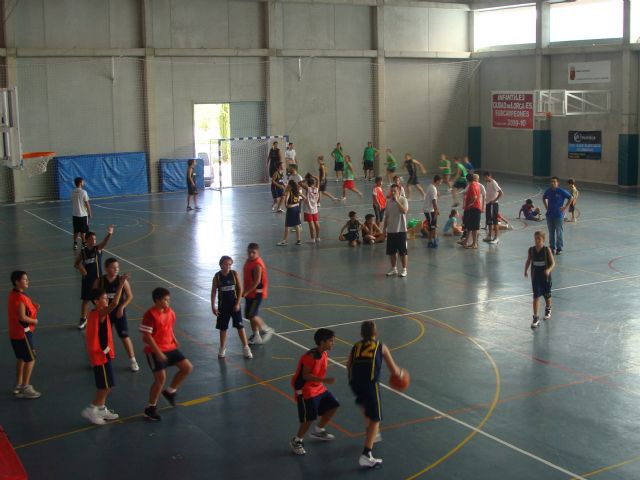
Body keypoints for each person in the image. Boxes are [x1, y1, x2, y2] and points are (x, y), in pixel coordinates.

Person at [347, 320, 401, 468]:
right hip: (369, 384)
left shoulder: (355, 346)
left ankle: (372, 434)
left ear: (361, 334)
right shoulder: (381, 346)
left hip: (354, 382)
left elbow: (348, 364)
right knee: (376, 418)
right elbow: (394, 371)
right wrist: (402, 374)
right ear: (375, 333)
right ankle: (366, 454)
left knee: (366, 406)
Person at [140, 287, 193, 421]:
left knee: (187, 368)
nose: (168, 302)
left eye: (168, 300)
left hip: (169, 347)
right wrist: (158, 352)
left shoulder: (170, 312)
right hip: (154, 350)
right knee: (160, 379)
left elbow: (169, 327)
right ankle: (150, 409)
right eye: (165, 300)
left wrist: (173, 338)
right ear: (157, 300)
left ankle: (170, 392)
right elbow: (147, 336)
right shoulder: (150, 315)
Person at [81, 275, 128, 425]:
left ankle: (101, 409)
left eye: (107, 297)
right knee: (105, 386)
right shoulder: (98, 313)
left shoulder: (98, 312)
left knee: (108, 384)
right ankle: (91, 409)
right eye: (104, 298)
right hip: (99, 356)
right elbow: (115, 303)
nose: (107, 299)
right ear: (96, 301)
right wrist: (121, 285)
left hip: (104, 354)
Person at [289, 328, 340, 456]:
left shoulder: (324, 354)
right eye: (330, 341)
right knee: (309, 418)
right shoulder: (310, 356)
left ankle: (319, 430)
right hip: (305, 390)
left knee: (333, 405)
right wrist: (325, 380)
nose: (333, 343)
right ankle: (297, 440)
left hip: (318, 387)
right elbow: (305, 375)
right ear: (322, 342)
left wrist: (322, 382)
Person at [93, 258, 139, 372]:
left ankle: (133, 360)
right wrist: (100, 309)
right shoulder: (100, 281)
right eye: (113, 268)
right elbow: (93, 296)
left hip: (118, 312)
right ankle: (100, 358)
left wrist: (122, 307)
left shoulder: (122, 281)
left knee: (124, 336)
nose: (116, 269)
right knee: (102, 337)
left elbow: (130, 296)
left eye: (117, 267)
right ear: (106, 268)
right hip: (105, 312)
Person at [211, 256, 252, 359]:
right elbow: (213, 292)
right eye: (226, 264)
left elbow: (240, 289)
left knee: (240, 326)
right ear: (221, 265)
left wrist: (237, 303)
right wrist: (213, 306)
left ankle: (246, 347)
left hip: (234, 305)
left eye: (230, 264)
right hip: (223, 306)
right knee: (223, 328)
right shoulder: (217, 277)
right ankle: (222, 347)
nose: (228, 266)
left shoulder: (234, 274)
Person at [7, 271, 41, 399]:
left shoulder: (13, 294)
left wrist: (33, 306)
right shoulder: (20, 298)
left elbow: (21, 309)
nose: (27, 281)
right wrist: (34, 321)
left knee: (21, 358)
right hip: (23, 334)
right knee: (31, 359)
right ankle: (26, 387)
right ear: (17, 282)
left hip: (14, 333)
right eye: (24, 279)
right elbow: (22, 317)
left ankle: (18, 384)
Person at [74, 226, 114, 329]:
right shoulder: (83, 252)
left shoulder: (97, 249)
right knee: (86, 300)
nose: (94, 241)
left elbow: (104, 243)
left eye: (95, 239)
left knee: (101, 300)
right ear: (86, 240)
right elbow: (76, 263)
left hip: (97, 280)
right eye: (91, 239)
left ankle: (103, 317)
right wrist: (81, 268)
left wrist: (109, 234)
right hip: (87, 280)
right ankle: (83, 319)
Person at [242, 243, 275, 345]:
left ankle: (266, 329)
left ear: (258, 252)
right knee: (249, 316)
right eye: (249, 252)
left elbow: (256, 282)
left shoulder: (257, 264)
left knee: (252, 314)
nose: (251, 254)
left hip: (257, 294)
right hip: (250, 293)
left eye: (253, 252)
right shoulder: (248, 261)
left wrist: (246, 291)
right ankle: (256, 335)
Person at [524, 231, 555, 329]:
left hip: (545, 277)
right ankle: (536, 318)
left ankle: (548, 308)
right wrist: (525, 270)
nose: (537, 240)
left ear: (543, 240)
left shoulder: (546, 250)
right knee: (536, 296)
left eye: (539, 239)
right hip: (536, 277)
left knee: (547, 295)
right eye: (535, 238)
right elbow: (528, 261)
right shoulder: (531, 250)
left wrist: (548, 270)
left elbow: (553, 263)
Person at [542, 176, 573, 255]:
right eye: (551, 182)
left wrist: (565, 207)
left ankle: (559, 248)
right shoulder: (548, 191)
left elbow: (571, 197)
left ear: (557, 183)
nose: (552, 183)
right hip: (549, 215)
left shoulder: (561, 191)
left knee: (559, 232)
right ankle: (552, 248)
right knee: (551, 233)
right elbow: (544, 197)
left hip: (558, 216)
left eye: (554, 182)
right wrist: (546, 206)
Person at [384, 184, 409, 277]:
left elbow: (404, 211)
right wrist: (384, 229)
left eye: (395, 191)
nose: (393, 192)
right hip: (391, 230)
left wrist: (397, 201)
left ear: (399, 191)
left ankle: (404, 269)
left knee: (403, 252)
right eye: (391, 191)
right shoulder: (388, 202)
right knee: (392, 252)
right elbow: (387, 216)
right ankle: (394, 268)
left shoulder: (403, 200)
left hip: (401, 230)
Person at [277, 180, 304, 246]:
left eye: (288, 184)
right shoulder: (297, 191)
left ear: (290, 185)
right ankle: (298, 240)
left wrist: (287, 205)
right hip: (297, 208)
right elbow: (304, 197)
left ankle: (284, 241)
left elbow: (286, 203)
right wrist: (297, 204)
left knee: (287, 226)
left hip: (291, 209)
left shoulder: (288, 192)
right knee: (297, 225)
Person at [459, 174, 482, 249]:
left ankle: (474, 244)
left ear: (467, 180)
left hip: (474, 208)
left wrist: (469, 204)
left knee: (474, 227)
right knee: (470, 226)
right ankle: (466, 242)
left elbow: (474, 197)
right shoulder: (476, 184)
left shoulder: (472, 186)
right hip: (474, 208)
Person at [71, 177, 91, 250]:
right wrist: (89, 212)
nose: (83, 183)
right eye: (83, 181)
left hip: (75, 214)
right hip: (83, 214)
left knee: (76, 230)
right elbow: (87, 203)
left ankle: (75, 243)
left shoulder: (72, 192)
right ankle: (83, 244)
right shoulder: (83, 192)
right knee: (83, 231)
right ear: (80, 183)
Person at [483, 171, 503, 245]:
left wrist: (494, 200)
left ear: (489, 176)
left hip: (493, 205)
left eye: (486, 177)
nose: (485, 178)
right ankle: (489, 236)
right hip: (488, 204)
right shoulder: (487, 183)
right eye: (484, 177)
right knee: (489, 221)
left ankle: (496, 238)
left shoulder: (494, 182)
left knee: (495, 221)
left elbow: (501, 193)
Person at [300, 175, 321, 243]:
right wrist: (313, 176)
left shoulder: (308, 188)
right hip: (315, 208)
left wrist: (305, 179)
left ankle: (312, 239)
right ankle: (318, 237)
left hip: (308, 209)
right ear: (314, 183)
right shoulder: (316, 189)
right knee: (316, 223)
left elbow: (299, 183)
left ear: (307, 183)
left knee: (311, 224)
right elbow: (318, 179)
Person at [424, 175, 441, 248]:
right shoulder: (433, 189)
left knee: (433, 226)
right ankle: (430, 242)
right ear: (437, 181)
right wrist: (436, 211)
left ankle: (434, 239)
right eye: (440, 182)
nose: (440, 183)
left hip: (431, 210)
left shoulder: (431, 186)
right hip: (429, 210)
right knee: (432, 227)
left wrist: (436, 210)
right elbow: (433, 201)